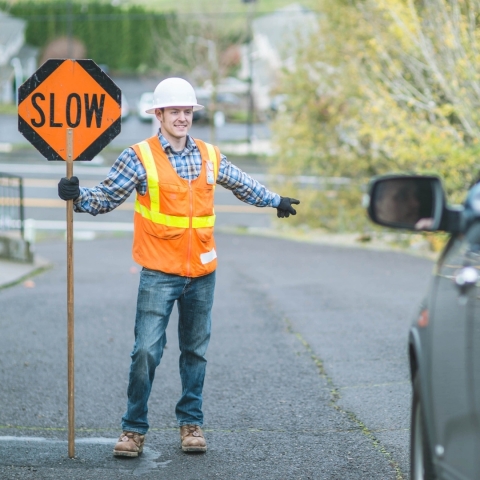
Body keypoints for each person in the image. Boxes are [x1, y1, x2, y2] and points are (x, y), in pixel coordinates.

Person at [57, 77, 300, 456]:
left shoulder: (208, 155)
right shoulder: (138, 156)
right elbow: (105, 197)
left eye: (187, 111)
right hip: (158, 272)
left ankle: (191, 425)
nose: (183, 118)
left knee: (195, 352)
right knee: (146, 352)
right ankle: (133, 430)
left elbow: (241, 183)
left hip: (202, 274)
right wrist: (77, 197)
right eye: (175, 111)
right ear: (159, 114)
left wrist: (275, 200)